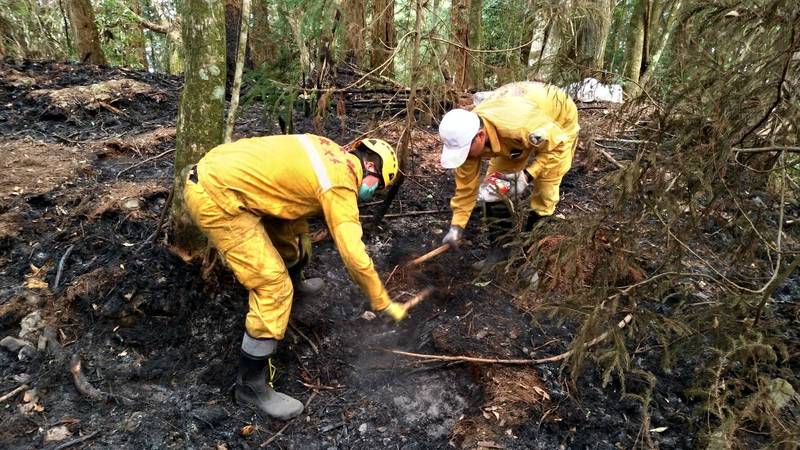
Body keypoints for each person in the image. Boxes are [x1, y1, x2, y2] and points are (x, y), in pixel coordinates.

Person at [183, 134, 407, 420]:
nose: (372, 193)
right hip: (218, 198)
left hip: (227, 172)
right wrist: (381, 301)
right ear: (373, 175)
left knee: (295, 236)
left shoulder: (328, 150)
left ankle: (295, 289)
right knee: (273, 287)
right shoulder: (340, 184)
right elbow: (354, 257)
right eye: (378, 188)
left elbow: (290, 195)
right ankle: (250, 386)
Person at [438, 81, 580, 269]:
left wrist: (527, 175)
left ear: (480, 136)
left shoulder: (517, 125)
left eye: (465, 151)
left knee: (545, 192)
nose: (464, 157)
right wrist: (456, 227)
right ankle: (501, 253)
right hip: (517, 131)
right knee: (492, 189)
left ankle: (531, 260)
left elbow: (558, 145)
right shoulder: (466, 137)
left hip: (557, 119)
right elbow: (465, 188)